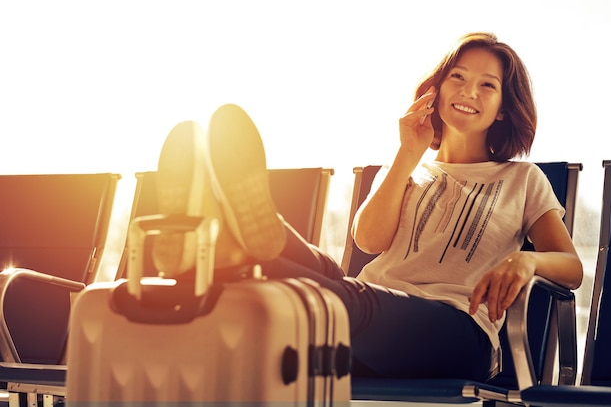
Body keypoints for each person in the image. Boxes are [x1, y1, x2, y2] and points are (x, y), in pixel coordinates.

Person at [151, 31, 583, 382]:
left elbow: (571, 267)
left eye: (487, 85)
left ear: (505, 109)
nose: (468, 90)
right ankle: (223, 238)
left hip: (458, 333)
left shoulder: (522, 179)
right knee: (323, 271)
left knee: (344, 297)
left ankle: (215, 244)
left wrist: (527, 261)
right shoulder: (408, 169)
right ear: (436, 89)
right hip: (373, 310)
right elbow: (370, 240)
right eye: (457, 77)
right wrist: (408, 154)